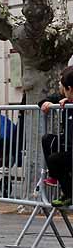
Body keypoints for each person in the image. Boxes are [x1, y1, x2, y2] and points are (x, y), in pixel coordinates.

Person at [41, 67, 73, 206]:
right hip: (68, 145)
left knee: (55, 159)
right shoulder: (64, 98)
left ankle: (69, 193)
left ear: (70, 89)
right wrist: (46, 103)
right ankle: (55, 176)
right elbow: (44, 101)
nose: (61, 89)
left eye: (63, 87)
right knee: (47, 139)